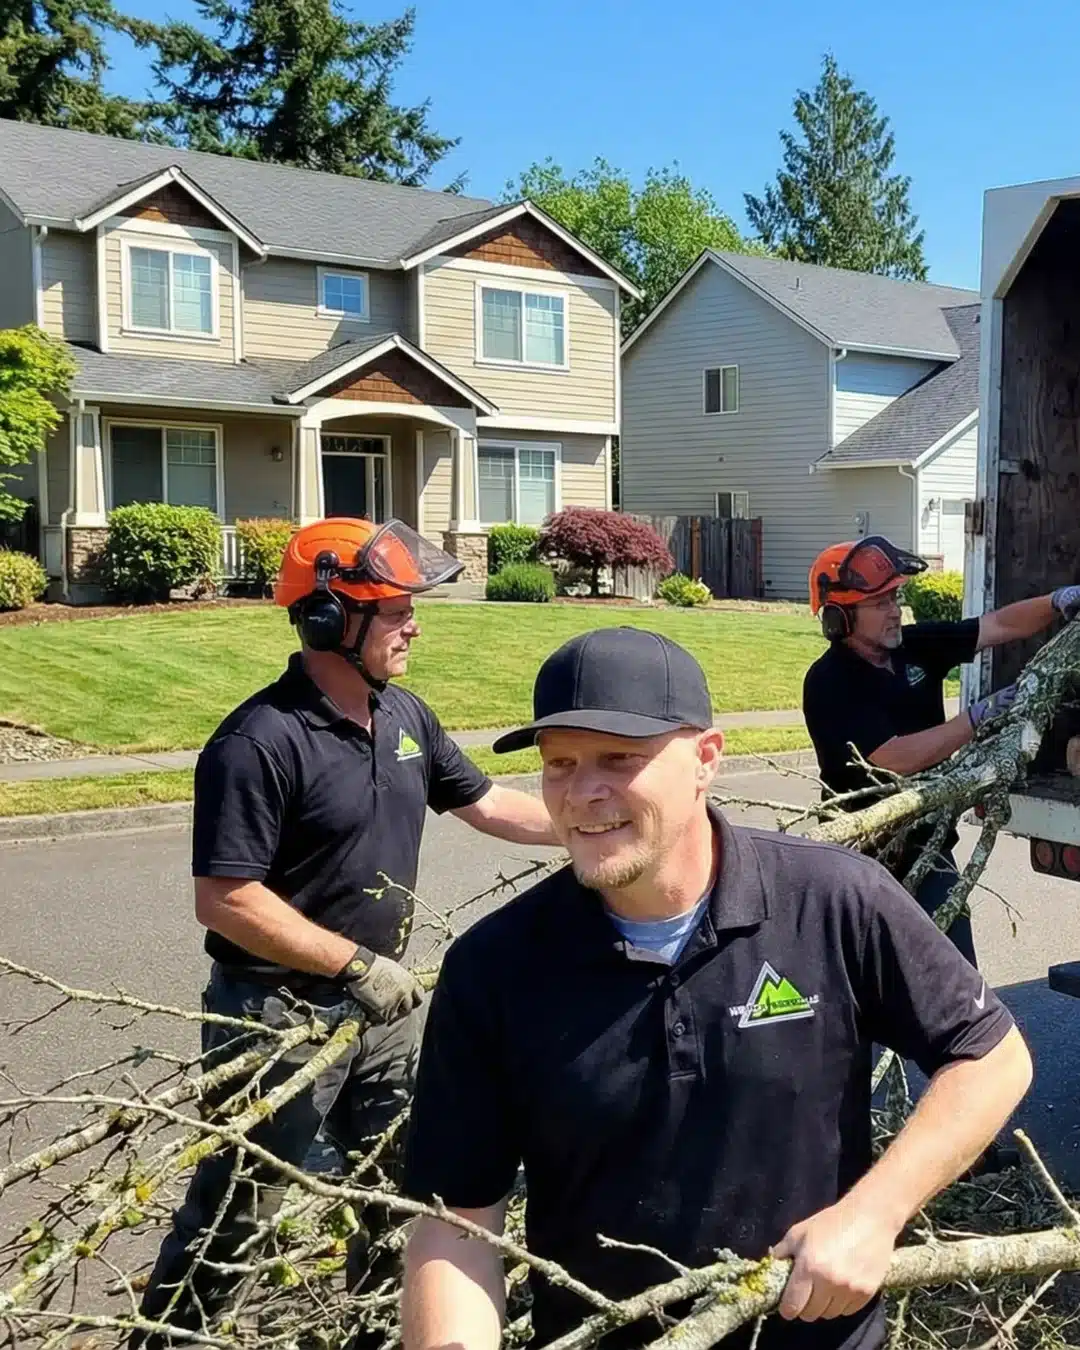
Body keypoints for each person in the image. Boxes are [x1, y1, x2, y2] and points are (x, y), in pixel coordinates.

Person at [399, 626, 1033, 1350]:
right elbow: (456, 1224)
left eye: (619, 758)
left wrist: (874, 1215)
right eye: (560, 765)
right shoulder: (496, 966)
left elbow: (991, 1056)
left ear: (706, 760)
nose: (582, 793)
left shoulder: (832, 900)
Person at [133, 516, 558, 1347]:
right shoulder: (259, 742)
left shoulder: (403, 716)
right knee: (241, 1204)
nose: (414, 624)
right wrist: (354, 963)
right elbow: (225, 899)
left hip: (385, 1013)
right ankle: (173, 1338)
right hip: (275, 1015)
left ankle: (369, 1327)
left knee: (399, 1189)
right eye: (394, 610)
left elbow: (488, 803)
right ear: (330, 619)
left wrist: (594, 829)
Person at [802, 534, 1080, 966]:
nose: (895, 612)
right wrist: (975, 719)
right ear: (839, 618)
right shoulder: (829, 681)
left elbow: (998, 626)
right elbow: (894, 756)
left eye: (895, 598)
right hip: (860, 856)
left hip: (927, 843)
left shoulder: (915, 646)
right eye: (880, 604)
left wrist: (1056, 601)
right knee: (862, 988)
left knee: (955, 980)